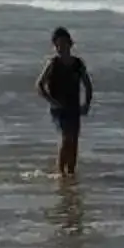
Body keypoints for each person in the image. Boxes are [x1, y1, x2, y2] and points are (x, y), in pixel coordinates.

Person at [37, 27, 93, 177]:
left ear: (70, 44)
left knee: (73, 142)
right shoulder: (52, 63)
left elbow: (88, 85)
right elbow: (39, 85)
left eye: (64, 43)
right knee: (66, 138)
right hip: (59, 108)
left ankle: (71, 172)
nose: (61, 47)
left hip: (73, 107)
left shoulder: (77, 64)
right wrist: (51, 101)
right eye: (57, 45)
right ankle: (60, 173)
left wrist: (86, 104)